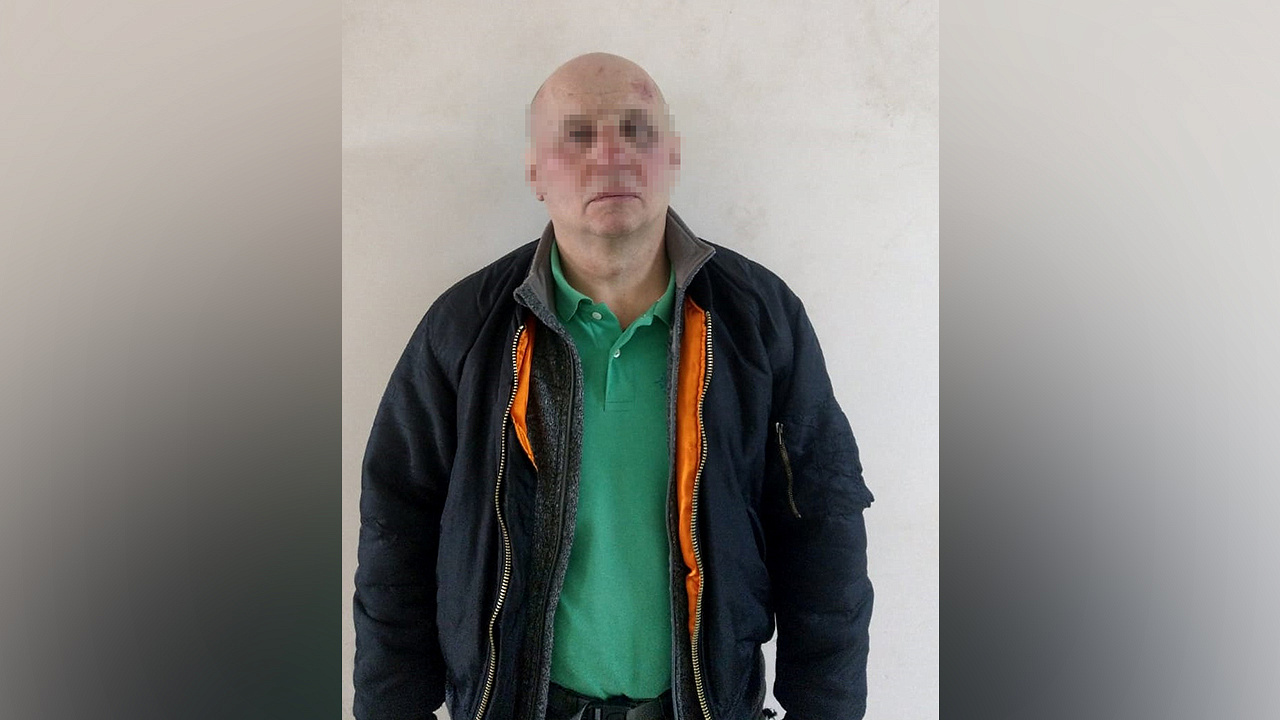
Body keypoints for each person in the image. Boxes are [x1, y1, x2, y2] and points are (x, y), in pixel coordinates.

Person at [354, 52, 874, 720]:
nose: (611, 156)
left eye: (637, 130)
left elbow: (823, 529)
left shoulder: (760, 321)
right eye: (577, 135)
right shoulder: (465, 329)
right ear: (535, 171)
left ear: (673, 156)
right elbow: (396, 530)